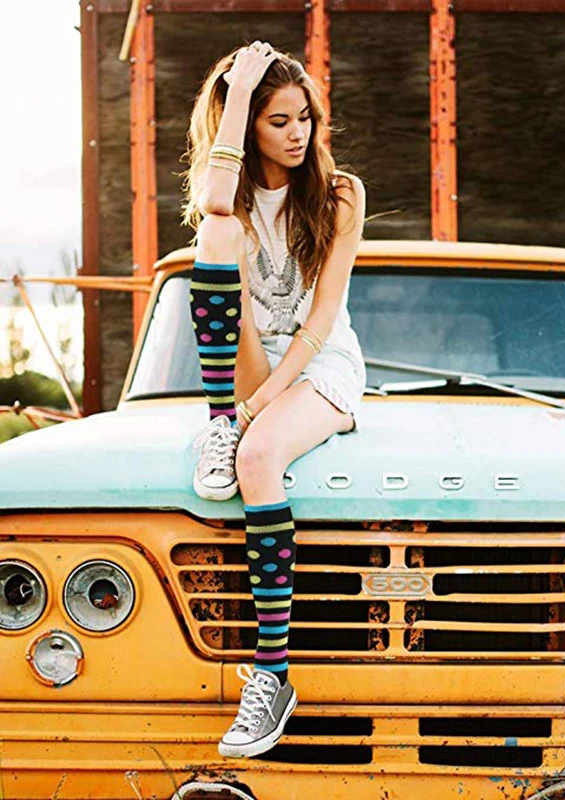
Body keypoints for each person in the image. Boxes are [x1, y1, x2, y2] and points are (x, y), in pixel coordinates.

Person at [180, 39, 367, 758]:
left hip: (319, 363)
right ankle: (216, 422)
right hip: (248, 357)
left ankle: (272, 676)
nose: (298, 135)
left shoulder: (340, 194)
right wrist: (239, 88)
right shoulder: (229, 196)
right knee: (217, 229)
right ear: (246, 126)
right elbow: (214, 200)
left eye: (305, 119)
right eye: (278, 120)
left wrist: (256, 412)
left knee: (257, 459)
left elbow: (320, 323)